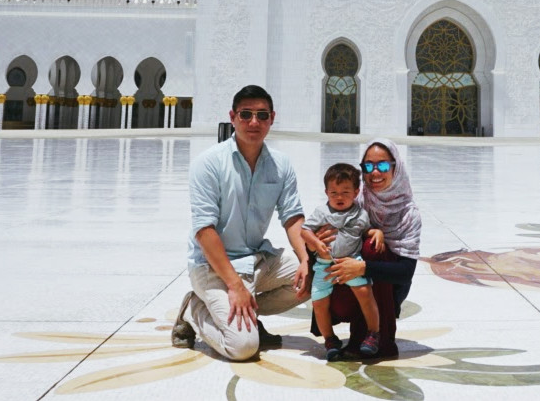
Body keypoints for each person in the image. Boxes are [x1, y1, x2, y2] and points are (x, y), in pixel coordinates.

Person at [172, 85, 309, 361]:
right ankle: (193, 310)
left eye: (261, 115)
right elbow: (204, 231)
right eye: (246, 114)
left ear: (272, 118)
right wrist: (235, 286)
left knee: (316, 278)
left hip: (256, 260)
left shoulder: (280, 165)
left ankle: (238, 308)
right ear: (233, 117)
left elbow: (292, 217)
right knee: (243, 346)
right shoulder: (209, 164)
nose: (254, 122)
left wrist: (305, 259)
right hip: (212, 266)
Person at [313, 139, 421, 358]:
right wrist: (318, 240)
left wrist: (363, 268)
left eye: (382, 166)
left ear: (396, 167)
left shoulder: (409, 214)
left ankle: (379, 339)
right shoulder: (353, 200)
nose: (375, 173)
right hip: (351, 280)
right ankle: (336, 336)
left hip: (387, 289)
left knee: (372, 248)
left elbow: (405, 272)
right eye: (368, 166)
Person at [303, 162, 382, 360]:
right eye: (334, 192)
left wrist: (376, 232)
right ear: (326, 192)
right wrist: (315, 243)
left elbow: (365, 232)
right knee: (319, 302)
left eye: (345, 192)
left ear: (356, 191)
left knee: (365, 292)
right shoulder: (322, 212)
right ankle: (329, 338)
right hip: (324, 266)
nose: (339, 197)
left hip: (351, 262)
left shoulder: (360, 214)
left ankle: (373, 332)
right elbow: (304, 231)